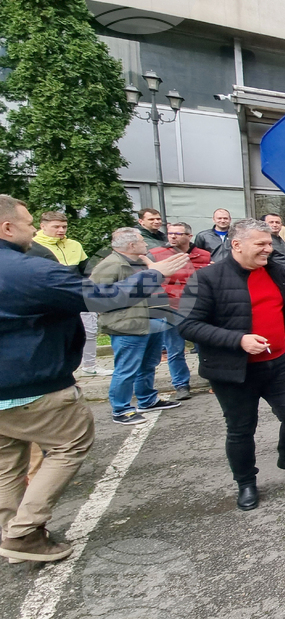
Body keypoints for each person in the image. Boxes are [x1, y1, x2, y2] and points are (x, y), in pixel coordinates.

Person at [0, 195, 187, 562]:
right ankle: (24, 533)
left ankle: (11, 532)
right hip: (32, 384)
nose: (34, 232)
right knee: (70, 443)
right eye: (29, 224)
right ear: (6, 228)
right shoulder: (27, 269)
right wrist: (155, 273)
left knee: (7, 464)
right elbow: (101, 296)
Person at [179, 219, 285, 511]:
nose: (269, 249)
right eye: (261, 244)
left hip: (278, 363)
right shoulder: (207, 278)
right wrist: (238, 340)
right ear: (237, 245)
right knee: (241, 429)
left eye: (269, 243)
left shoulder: (276, 271)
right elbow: (188, 326)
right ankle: (246, 482)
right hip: (233, 371)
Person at [90, 228, 183, 424]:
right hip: (128, 326)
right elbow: (96, 297)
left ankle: (147, 400)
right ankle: (121, 409)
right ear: (131, 245)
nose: (146, 244)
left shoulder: (140, 262)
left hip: (152, 320)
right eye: (142, 241)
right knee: (126, 369)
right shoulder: (111, 265)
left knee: (148, 365)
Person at [27, 211, 112, 377]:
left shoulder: (74, 245)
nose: (61, 230)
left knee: (90, 331)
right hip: (52, 296)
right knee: (56, 332)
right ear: (43, 226)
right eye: (56, 227)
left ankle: (90, 366)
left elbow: (86, 269)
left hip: (77, 292)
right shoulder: (32, 246)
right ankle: (56, 367)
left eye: (64, 226)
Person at [148, 222, 212, 401]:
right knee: (175, 349)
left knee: (206, 346)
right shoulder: (157, 255)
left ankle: (212, 379)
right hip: (172, 308)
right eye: (170, 233)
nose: (173, 236)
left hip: (199, 308)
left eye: (178, 233)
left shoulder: (204, 255)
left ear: (189, 236)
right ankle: (181, 385)